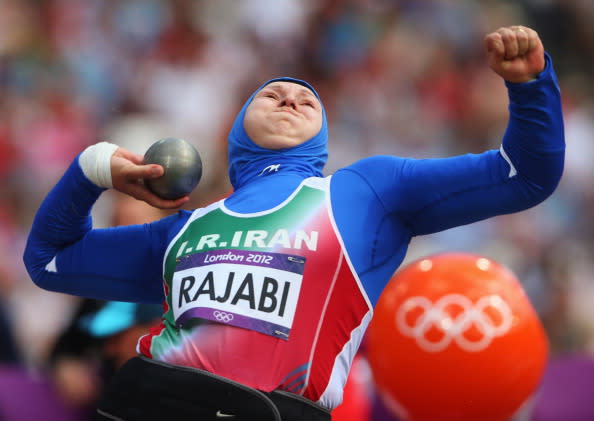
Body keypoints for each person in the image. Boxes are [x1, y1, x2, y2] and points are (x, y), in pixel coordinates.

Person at [23, 26, 564, 421]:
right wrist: (91, 168)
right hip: (144, 404)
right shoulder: (183, 228)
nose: (289, 95)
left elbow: (526, 175)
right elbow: (48, 260)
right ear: (238, 124)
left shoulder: (367, 194)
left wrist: (531, 86)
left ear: (323, 136)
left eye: (308, 99)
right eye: (271, 94)